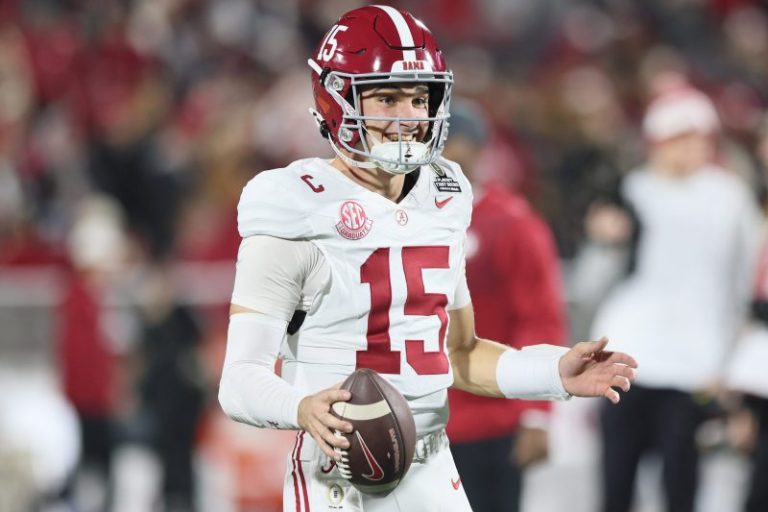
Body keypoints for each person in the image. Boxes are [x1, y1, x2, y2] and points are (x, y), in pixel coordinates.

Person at [217, 6, 637, 512]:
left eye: (419, 98)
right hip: (339, 472)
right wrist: (302, 408)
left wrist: (553, 373)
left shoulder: (444, 193)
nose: (410, 116)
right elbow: (239, 380)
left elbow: (458, 355)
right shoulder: (293, 203)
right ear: (336, 100)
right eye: (387, 98)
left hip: (433, 465)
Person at [581, 82, 762, 512]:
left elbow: (743, 283)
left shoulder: (731, 198)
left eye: (697, 138)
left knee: (681, 487)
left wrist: (731, 358)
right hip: (626, 357)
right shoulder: (631, 190)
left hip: (695, 364)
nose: (689, 148)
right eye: (678, 138)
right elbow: (589, 284)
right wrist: (604, 242)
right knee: (616, 484)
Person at [443, 101, 568, 512]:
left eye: (455, 142)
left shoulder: (510, 223)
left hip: (487, 422)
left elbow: (540, 318)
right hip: (412, 420)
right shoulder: (394, 219)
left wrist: (536, 413)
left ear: (480, 150)